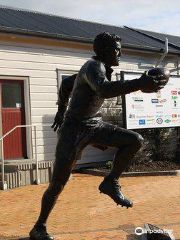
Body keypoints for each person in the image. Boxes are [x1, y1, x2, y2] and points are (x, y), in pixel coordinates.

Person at [29, 32, 164, 240]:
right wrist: (139, 83)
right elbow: (103, 90)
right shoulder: (94, 67)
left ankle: (111, 182)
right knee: (58, 184)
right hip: (73, 130)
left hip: (94, 125)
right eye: (118, 50)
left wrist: (60, 110)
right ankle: (39, 227)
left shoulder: (98, 69)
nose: (121, 53)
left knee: (134, 141)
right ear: (107, 51)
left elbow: (67, 85)